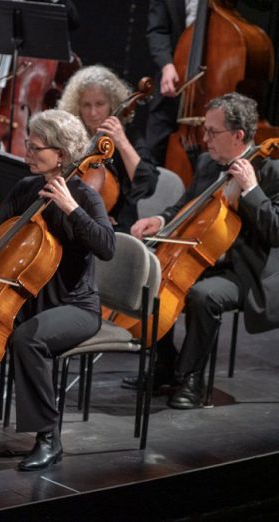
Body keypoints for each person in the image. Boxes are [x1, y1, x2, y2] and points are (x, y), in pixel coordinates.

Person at [0, 109, 115, 470]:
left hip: (73, 306)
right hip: (27, 298)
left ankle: (49, 438)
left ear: (61, 155)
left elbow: (107, 246)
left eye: (35, 148)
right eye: (28, 146)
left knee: (26, 340)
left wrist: (72, 209)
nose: (27, 153)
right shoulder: (27, 188)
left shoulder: (84, 195)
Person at [130, 92, 279, 409]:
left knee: (203, 296)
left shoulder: (271, 173)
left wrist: (251, 190)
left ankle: (192, 380)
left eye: (213, 132)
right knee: (154, 276)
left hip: (244, 271)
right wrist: (160, 220)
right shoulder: (207, 164)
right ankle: (165, 365)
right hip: (202, 258)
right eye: (205, 130)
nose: (204, 138)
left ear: (238, 136)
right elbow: (185, 207)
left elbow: (276, 232)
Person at [57, 64, 159, 232]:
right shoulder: (72, 136)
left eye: (100, 104)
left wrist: (121, 142)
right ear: (77, 107)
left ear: (112, 104)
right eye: (86, 105)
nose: (93, 112)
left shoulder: (130, 136)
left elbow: (146, 184)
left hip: (118, 223)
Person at [146, 0, 194, 165]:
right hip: (173, 75)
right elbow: (158, 30)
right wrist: (166, 65)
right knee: (154, 148)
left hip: (212, 80)